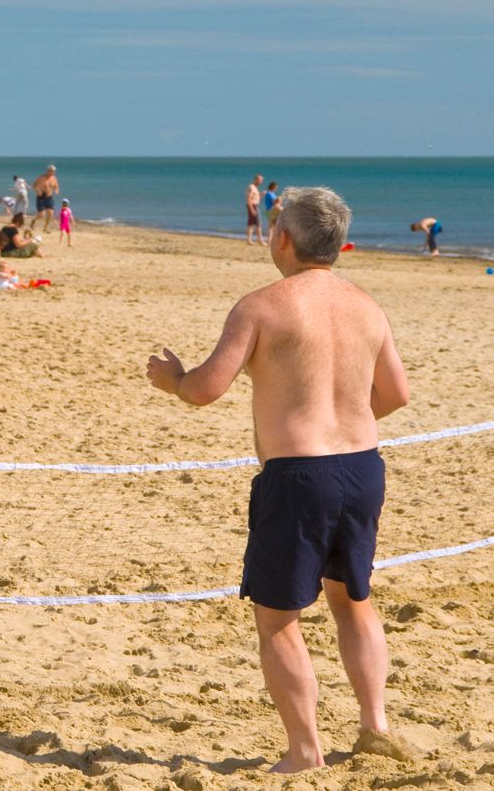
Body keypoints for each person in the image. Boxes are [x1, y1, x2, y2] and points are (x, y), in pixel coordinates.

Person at [146, 187, 411, 774]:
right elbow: (396, 394)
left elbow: (205, 389)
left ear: (283, 238)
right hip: (363, 466)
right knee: (353, 600)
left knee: (277, 618)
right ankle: (375, 726)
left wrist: (172, 378)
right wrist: (345, 420)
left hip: (298, 475)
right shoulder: (367, 305)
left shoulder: (262, 305)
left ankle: (305, 750)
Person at [30, 164, 59, 233]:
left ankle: (45, 229)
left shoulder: (54, 178)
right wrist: (37, 190)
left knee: (50, 213)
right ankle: (33, 220)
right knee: (41, 215)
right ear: (47, 171)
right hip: (41, 197)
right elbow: (34, 185)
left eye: (53, 171)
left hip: (49, 197)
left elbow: (56, 186)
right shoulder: (41, 177)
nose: (52, 172)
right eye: (51, 171)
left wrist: (56, 190)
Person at [246, 174, 263, 244]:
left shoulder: (255, 188)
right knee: (258, 223)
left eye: (261, 180)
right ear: (255, 179)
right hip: (253, 206)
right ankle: (259, 239)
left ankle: (249, 240)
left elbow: (255, 198)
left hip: (255, 205)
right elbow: (249, 198)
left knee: (251, 223)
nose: (260, 181)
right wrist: (252, 209)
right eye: (259, 180)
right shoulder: (252, 187)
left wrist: (261, 194)